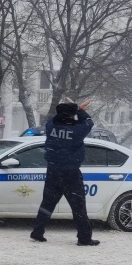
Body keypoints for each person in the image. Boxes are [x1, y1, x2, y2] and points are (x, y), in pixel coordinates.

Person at [30, 99, 99, 246]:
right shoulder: (77, 131)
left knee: (47, 204)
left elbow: (53, 119)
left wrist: (71, 110)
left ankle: (37, 232)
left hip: (53, 170)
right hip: (71, 173)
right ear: (72, 115)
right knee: (78, 207)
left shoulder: (50, 126)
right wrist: (79, 110)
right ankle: (84, 238)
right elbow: (89, 122)